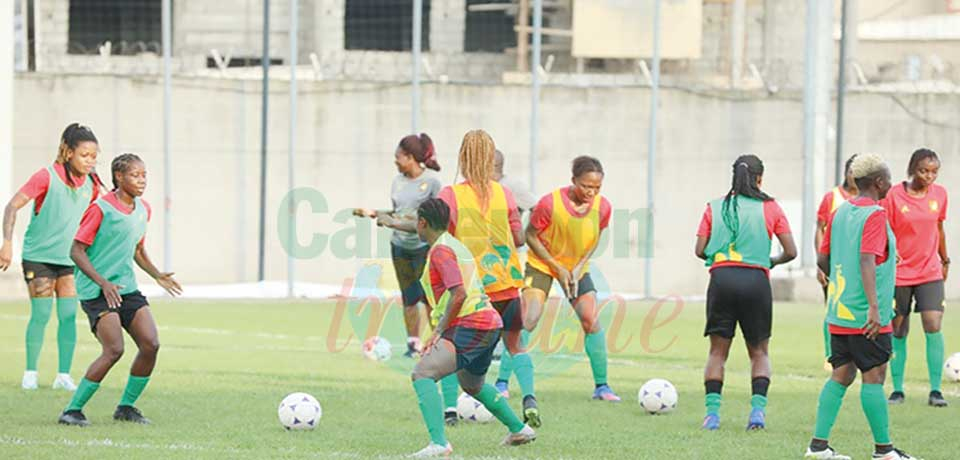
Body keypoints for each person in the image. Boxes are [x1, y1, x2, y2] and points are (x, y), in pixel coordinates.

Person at [804, 154, 920, 460]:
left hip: (839, 311)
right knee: (874, 376)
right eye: (889, 179)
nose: (892, 184)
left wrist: (843, 281)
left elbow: (822, 257)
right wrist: (872, 307)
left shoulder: (841, 212)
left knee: (841, 374)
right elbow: (867, 259)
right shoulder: (875, 216)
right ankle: (884, 451)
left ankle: (817, 447)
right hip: (866, 315)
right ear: (879, 182)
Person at [58, 154, 182, 427]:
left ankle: (125, 408)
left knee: (151, 344)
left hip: (126, 288)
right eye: (135, 175)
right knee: (114, 349)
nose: (142, 180)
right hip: (96, 290)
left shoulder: (143, 209)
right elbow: (76, 250)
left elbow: (137, 248)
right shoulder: (101, 209)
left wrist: (157, 274)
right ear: (119, 177)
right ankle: (72, 410)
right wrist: (102, 282)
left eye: (144, 175)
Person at [409, 198, 535, 457]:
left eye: (416, 221)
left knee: (422, 373)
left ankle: (439, 444)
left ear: (422, 223)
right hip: (488, 323)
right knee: (472, 384)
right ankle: (520, 429)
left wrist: (438, 330)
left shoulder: (441, 251)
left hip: (471, 324)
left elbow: (458, 293)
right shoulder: (453, 244)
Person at [437, 130, 540, 427]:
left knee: (451, 345)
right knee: (515, 344)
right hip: (506, 283)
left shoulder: (450, 195)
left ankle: (449, 410)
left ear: (463, 159)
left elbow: (443, 238)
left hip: (471, 288)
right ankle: (529, 398)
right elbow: (519, 239)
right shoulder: (505, 194)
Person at [694, 154, 797, 431]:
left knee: (717, 352)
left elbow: (699, 249)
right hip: (755, 281)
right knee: (759, 352)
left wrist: (719, 257)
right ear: (760, 178)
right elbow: (791, 251)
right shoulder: (771, 208)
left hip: (722, 279)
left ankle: (712, 416)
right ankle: (757, 414)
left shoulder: (714, 207)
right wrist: (769, 261)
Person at [0, 123, 102, 392]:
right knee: (41, 314)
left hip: (70, 261)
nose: (90, 161)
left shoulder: (92, 184)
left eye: (94, 156)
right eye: (85, 155)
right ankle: (31, 372)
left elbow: (91, 222)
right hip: (39, 257)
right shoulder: (45, 176)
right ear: (68, 152)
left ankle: (63, 375)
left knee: (68, 316)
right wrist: (7, 243)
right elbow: (12, 206)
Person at [521, 156, 620, 402]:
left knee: (590, 319)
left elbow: (595, 237)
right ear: (573, 180)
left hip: (575, 269)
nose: (591, 192)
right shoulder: (549, 204)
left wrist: (577, 267)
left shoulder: (603, 207)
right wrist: (555, 266)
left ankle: (602, 387)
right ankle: (502, 382)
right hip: (541, 265)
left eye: (597, 187)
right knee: (529, 318)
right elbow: (529, 235)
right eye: (586, 186)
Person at [882, 148, 949, 407]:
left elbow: (939, 228)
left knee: (933, 323)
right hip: (899, 273)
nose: (929, 176)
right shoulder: (893, 196)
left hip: (929, 271)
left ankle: (935, 391)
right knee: (898, 328)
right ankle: (897, 389)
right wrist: (888, 254)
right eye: (923, 170)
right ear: (912, 169)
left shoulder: (940, 195)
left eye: (934, 171)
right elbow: (883, 229)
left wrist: (945, 259)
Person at [490, 149, 536, 398]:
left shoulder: (512, 187)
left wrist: (523, 233)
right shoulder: (476, 189)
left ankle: (505, 383)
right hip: (481, 261)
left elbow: (537, 208)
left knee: (511, 316)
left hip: (507, 262)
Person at [815, 154, 859, 369]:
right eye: (852, 171)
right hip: (835, 263)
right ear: (846, 172)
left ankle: (859, 353)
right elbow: (820, 229)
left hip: (860, 264)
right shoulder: (832, 197)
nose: (855, 176)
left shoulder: (871, 199)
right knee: (832, 307)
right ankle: (830, 355)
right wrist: (819, 263)